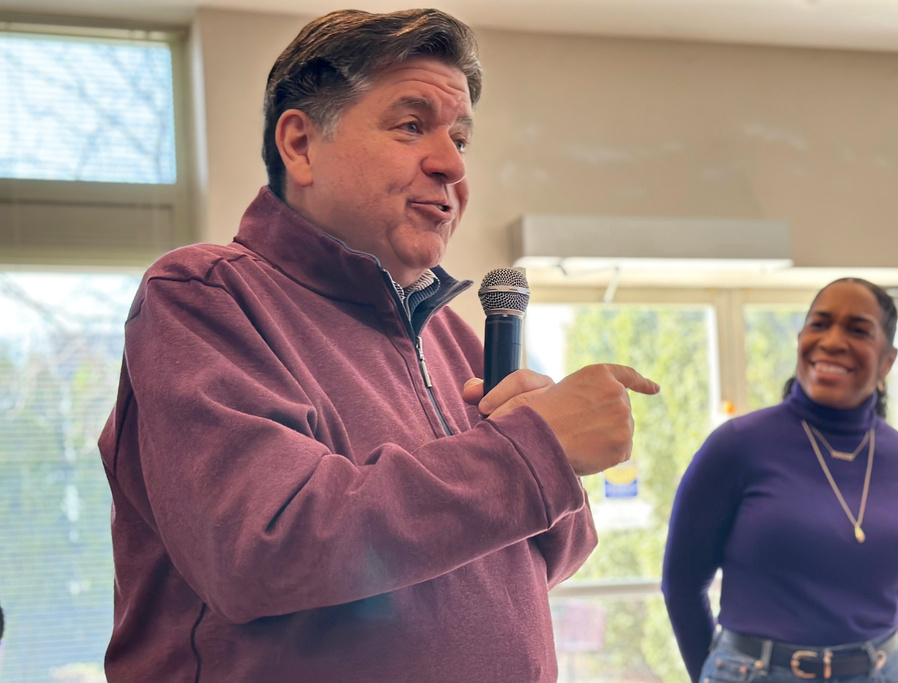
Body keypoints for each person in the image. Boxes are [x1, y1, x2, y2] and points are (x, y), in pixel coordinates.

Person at [98, 9, 658, 682]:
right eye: (412, 125)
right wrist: (532, 452)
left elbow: (530, 565)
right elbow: (262, 546)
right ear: (300, 145)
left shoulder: (450, 334)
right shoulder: (205, 295)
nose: (451, 164)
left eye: (459, 137)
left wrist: (551, 463)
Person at [662, 278, 898, 683]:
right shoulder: (736, 446)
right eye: (819, 324)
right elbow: (682, 585)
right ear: (800, 339)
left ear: (887, 361)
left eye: (857, 329)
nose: (832, 340)